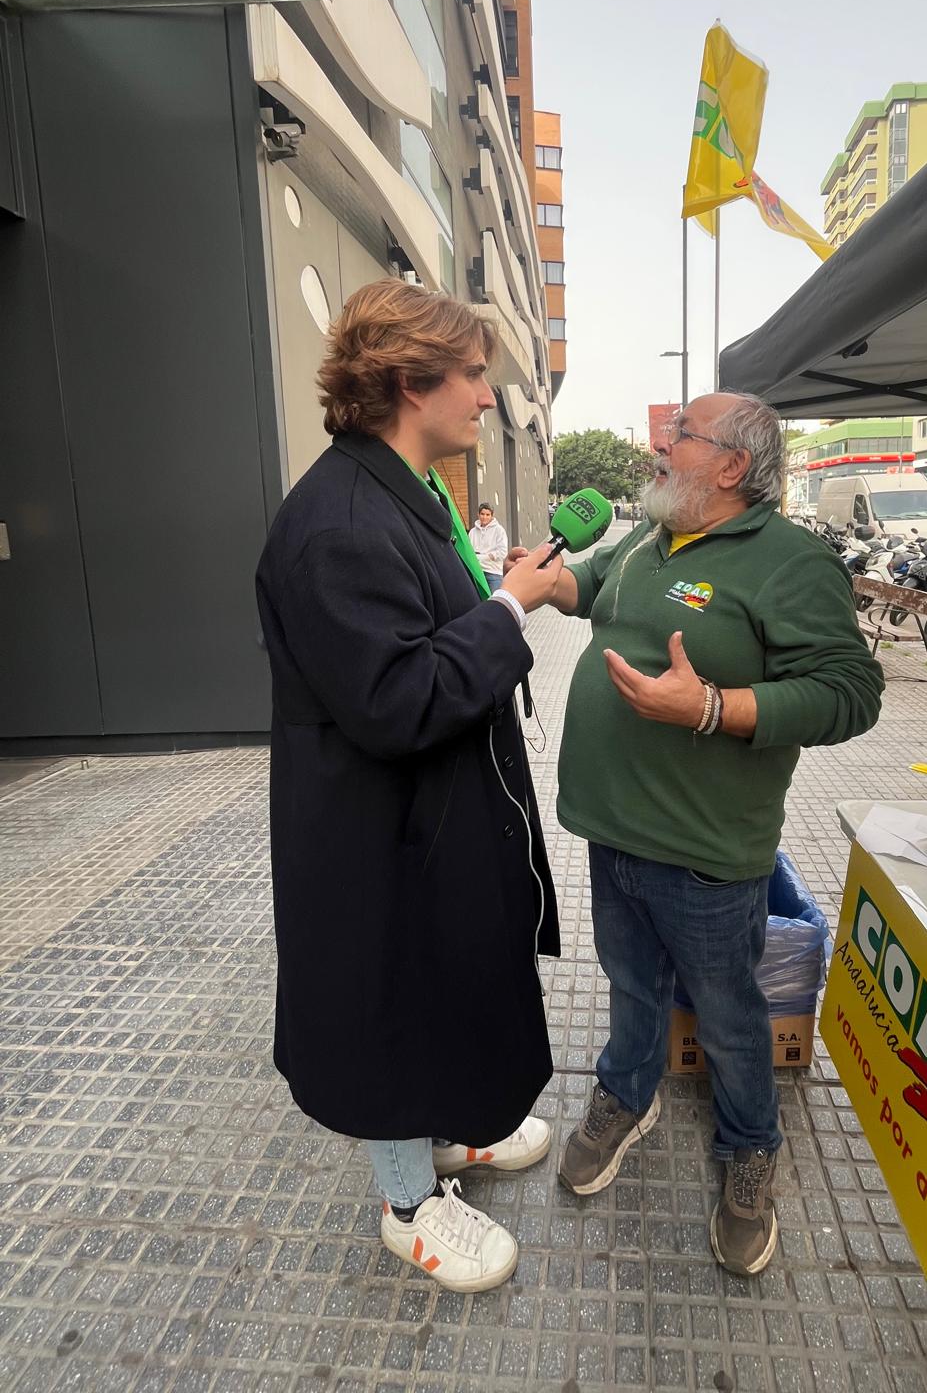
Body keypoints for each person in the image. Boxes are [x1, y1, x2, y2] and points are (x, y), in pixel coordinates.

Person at [521, 391, 884, 1276]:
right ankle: (625, 1096)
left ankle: (752, 1148)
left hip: (710, 852)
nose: (659, 444)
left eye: (680, 435)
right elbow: (594, 590)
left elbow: (851, 693)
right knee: (631, 986)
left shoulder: (790, 562)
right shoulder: (651, 539)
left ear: (731, 467)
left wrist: (718, 706)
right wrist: (544, 582)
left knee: (728, 1016)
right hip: (614, 830)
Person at [255, 280, 564, 1294]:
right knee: (389, 1006)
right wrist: (511, 609)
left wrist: (492, 599)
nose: (486, 397)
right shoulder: (339, 521)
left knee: (438, 990)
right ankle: (406, 1206)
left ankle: (447, 1135)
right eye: (473, 374)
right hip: (373, 840)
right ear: (406, 380)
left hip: (426, 823)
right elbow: (396, 696)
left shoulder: (406, 496)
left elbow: (428, 638)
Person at [469, 501, 508, 592]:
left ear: (492, 516)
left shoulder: (499, 530)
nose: (484, 517)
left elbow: (502, 552)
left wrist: (484, 557)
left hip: (493, 573)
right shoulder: (472, 532)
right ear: (478, 514)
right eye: (482, 514)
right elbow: (469, 551)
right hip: (476, 572)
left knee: (494, 602)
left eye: (487, 514)